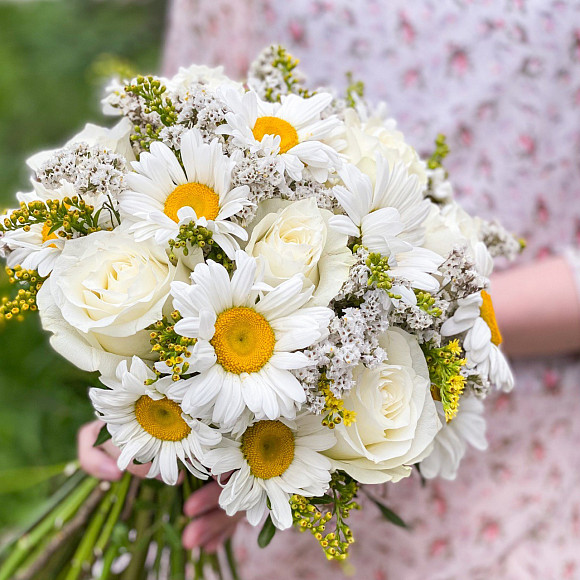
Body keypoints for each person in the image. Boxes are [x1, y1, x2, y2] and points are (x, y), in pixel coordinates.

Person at [80, 1, 580, 577]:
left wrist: (432, 323)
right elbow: (185, 145)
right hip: (265, 465)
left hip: (523, 479)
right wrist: (155, 409)